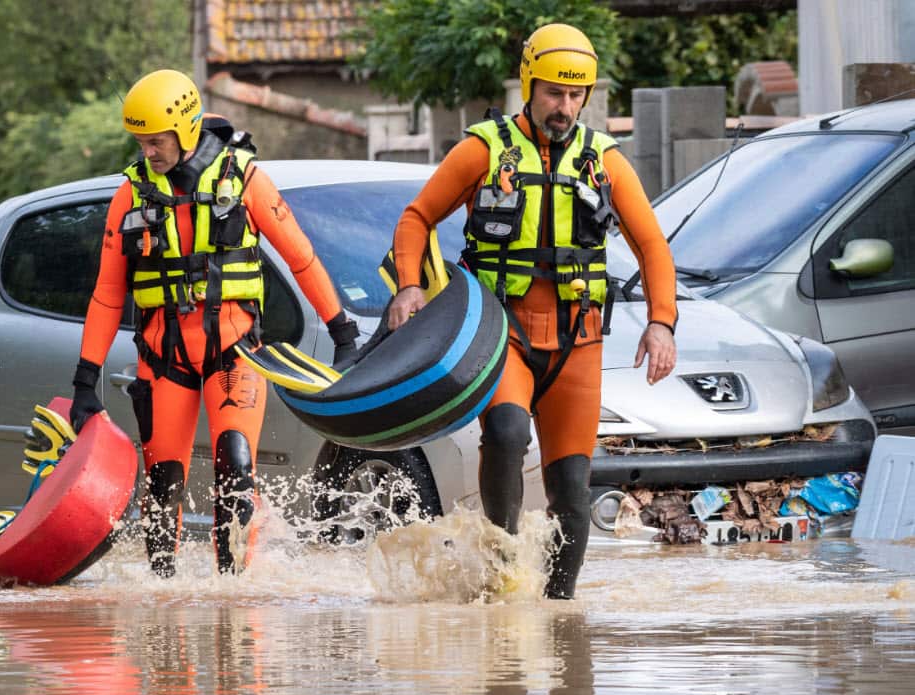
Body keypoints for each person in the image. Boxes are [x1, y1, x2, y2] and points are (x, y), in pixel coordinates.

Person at [386, 23, 678, 599]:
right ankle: (501, 588)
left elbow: (653, 247)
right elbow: (417, 217)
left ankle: (558, 613)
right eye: (553, 93)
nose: (564, 107)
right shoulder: (483, 149)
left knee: (571, 487)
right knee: (507, 428)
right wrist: (409, 286)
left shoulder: (606, 162)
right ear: (529, 84)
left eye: (575, 96)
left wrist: (662, 321)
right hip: (504, 337)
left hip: (578, 342)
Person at [70, 69, 359, 577]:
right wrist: (84, 381)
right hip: (164, 359)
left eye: (155, 142)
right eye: (140, 143)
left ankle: (234, 597)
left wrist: (343, 335)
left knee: (235, 464)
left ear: (184, 131)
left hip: (234, 350)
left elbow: (301, 257)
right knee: (162, 485)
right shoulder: (130, 195)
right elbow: (108, 293)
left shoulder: (244, 179)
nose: (147, 153)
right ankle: (163, 602)